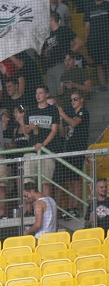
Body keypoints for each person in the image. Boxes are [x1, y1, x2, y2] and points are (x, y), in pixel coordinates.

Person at [54, 91, 89, 219]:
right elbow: (63, 133)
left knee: (75, 180)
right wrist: (61, 120)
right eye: (72, 99)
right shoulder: (70, 114)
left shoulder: (83, 112)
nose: (73, 101)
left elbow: (74, 123)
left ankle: (75, 207)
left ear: (81, 100)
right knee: (68, 181)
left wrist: (63, 113)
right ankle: (69, 208)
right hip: (68, 150)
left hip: (78, 150)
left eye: (75, 99)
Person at [24, 86, 60, 197]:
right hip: (32, 150)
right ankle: (29, 210)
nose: (38, 95)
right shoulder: (30, 110)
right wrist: (30, 128)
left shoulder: (53, 110)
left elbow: (54, 131)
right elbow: (25, 130)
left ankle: (45, 208)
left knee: (46, 183)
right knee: (28, 183)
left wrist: (43, 145)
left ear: (47, 95)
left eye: (40, 93)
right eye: (36, 93)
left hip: (47, 151)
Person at [84, 0, 109, 90]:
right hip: (94, 40)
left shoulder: (107, 5)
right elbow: (87, 26)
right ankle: (103, 85)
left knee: (106, 61)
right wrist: (86, 40)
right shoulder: (89, 8)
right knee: (99, 63)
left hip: (107, 38)